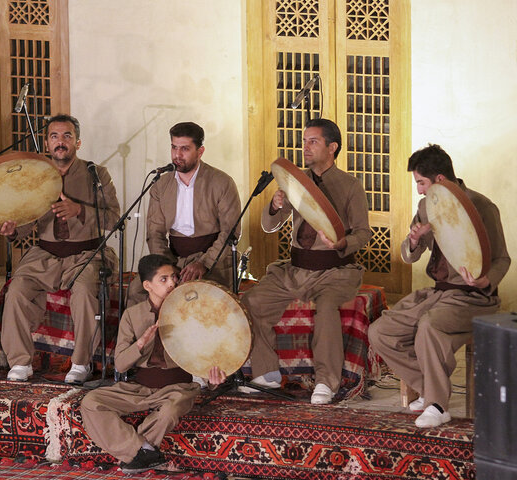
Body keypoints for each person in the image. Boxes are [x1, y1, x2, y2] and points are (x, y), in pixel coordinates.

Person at [368, 144, 510, 428]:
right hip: (437, 293)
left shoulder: (482, 206)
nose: (419, 190)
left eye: (421, 182)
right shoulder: (425, 206)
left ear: (440, 180)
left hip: (474, 297)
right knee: (380, 331)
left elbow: (502, 259)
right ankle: (432, 389)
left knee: (430, 326)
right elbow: (409, 256)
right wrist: (414, 240)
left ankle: (436, 404)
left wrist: (485, 280)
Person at [240, 118, 371, 405]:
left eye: (313, 141)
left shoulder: (350, 185)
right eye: (304, 141)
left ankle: (326, 381)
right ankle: (266, 373)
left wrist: (342, 243)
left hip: (335, 271)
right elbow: (269, 225)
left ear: (332, 147)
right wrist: (275, 205)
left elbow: (363, 233)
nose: (305, 147)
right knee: (254, 302)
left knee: (326, 308)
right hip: (296, 269)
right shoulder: (297, 182)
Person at [0, 114, 120, 384]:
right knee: (16, 290)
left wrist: (80, 211)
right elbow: (25, 222)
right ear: (46, 143)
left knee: (85, 291)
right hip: (46, 256)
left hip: (85, 254)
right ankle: (20, 361)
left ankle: (81, 362)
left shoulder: (96, 174)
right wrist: (12, 230)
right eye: (54, 137)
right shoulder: (35, 177)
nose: (60, 142)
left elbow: (114, 218)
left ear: (78, 142)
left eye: (66, 136)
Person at [80, 254, 226, 474]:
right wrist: (141, 343)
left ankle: (139, 453)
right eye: (164, 279)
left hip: (177, 389)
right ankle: (145, 451)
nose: (173, 283)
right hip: (138, 389)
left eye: (174, 278)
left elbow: (205, 357)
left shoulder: (190, 313)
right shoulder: (132, 315)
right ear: (147, 285)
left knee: (169, 411)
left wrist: (213, 380)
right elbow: (120, 365)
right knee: (91, 402)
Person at [127, 121, 241, 306]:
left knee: (203, 301)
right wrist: (168, 267)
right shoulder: (160, 185)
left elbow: (230, 233)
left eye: (185, 149)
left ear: (200, 151)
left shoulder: (222, 182)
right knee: (136, 291)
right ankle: (146, 336)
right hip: (173, 261)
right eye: (174, 147)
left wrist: (204, 263)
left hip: (213, 261)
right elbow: (154, 233)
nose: (177, 155)